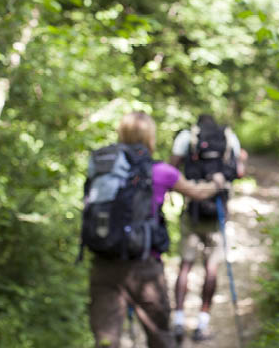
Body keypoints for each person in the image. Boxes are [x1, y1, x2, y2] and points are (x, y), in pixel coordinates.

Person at [88, 111, 226, 348]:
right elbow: (198, 192)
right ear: (150, 136)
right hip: (144, 265)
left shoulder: (102, 167)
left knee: (106, 340)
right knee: (160, 336)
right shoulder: (161, 172)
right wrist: (217, 183)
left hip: (103, 262)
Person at [169, 115, 243, 343]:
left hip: (192, 211)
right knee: (211, 268)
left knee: (185, 265)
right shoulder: (229, 137)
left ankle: (179, 321)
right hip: (219, 210)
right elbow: (238, 171)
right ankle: (202, 323)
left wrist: (189, 188)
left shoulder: (186, 137)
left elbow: (171, 169)